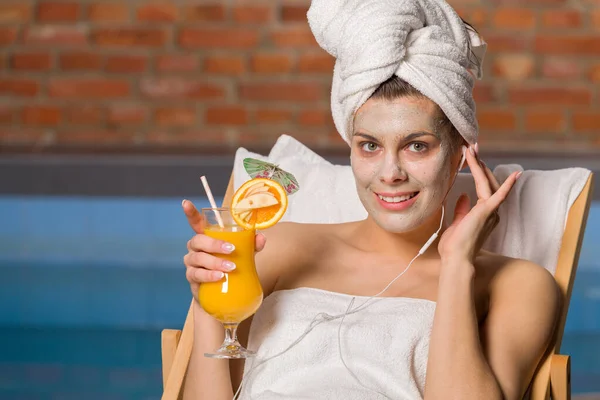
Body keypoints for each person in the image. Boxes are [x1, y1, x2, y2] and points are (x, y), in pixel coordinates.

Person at [181, 1, 560, 399]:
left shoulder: (518, 285)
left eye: (417, 146)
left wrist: (456, 269)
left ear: (459, 155)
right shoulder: (273, 248)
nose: (390, 173)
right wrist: (208, 307)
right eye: (369, 146)